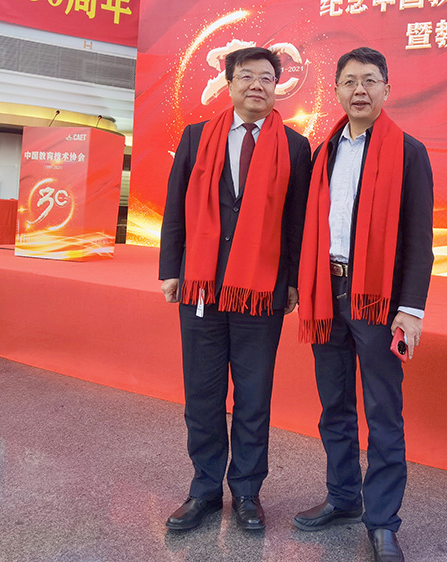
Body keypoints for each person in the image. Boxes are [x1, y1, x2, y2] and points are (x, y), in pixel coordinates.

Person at [158, 46, 311, 532]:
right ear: (229, 84)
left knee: (253, 396)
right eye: (246, 76)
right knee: (202, 395)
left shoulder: (295, 146)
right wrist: (171, 268)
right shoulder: (196, 136)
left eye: (267, 77)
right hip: (201, 286)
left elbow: (297, 222)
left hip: (260, 292)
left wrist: (291, 281)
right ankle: (203, 490)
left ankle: (246, 491)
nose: (256, 85)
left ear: (277, 86)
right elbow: (176, 205)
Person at [294, 47, 434, 562]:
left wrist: (410, 309)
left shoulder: (409, 152)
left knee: (382, 411)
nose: (359, 90)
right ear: (336, 90)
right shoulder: (324, 151)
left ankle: (382, 522)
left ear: (386, 90)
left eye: (370, 80)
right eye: (350, 81)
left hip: (376, 300)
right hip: (326, 292)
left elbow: (419, 240)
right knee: (334, 405)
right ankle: (343, 498)